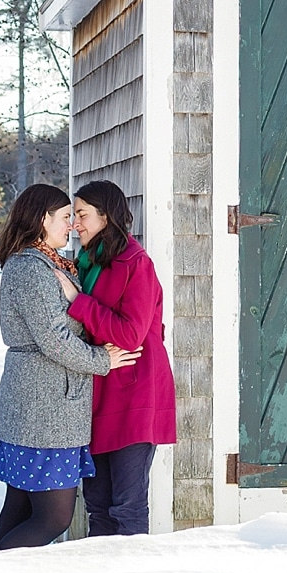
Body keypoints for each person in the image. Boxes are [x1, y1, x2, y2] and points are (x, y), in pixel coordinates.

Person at [0, 184, 140, 552]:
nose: (71, 225)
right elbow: (53, 339)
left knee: (21, 505)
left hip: (45, 405)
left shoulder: (47, 263)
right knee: (54, 517)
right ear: (42, 220)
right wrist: (102, 360)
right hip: (43, 409)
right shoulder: (31, 269)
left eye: (75, 216)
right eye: (65, 217)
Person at [54, 180, 177, 536]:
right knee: (97, 503)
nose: (76, 223)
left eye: (82, 214)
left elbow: (130, 335)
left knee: (126, 504)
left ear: (106, 216)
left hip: (133, 394)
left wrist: (78, 301)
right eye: (73, 215)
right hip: (98, 392)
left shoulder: (135, 263)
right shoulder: (86, 261)